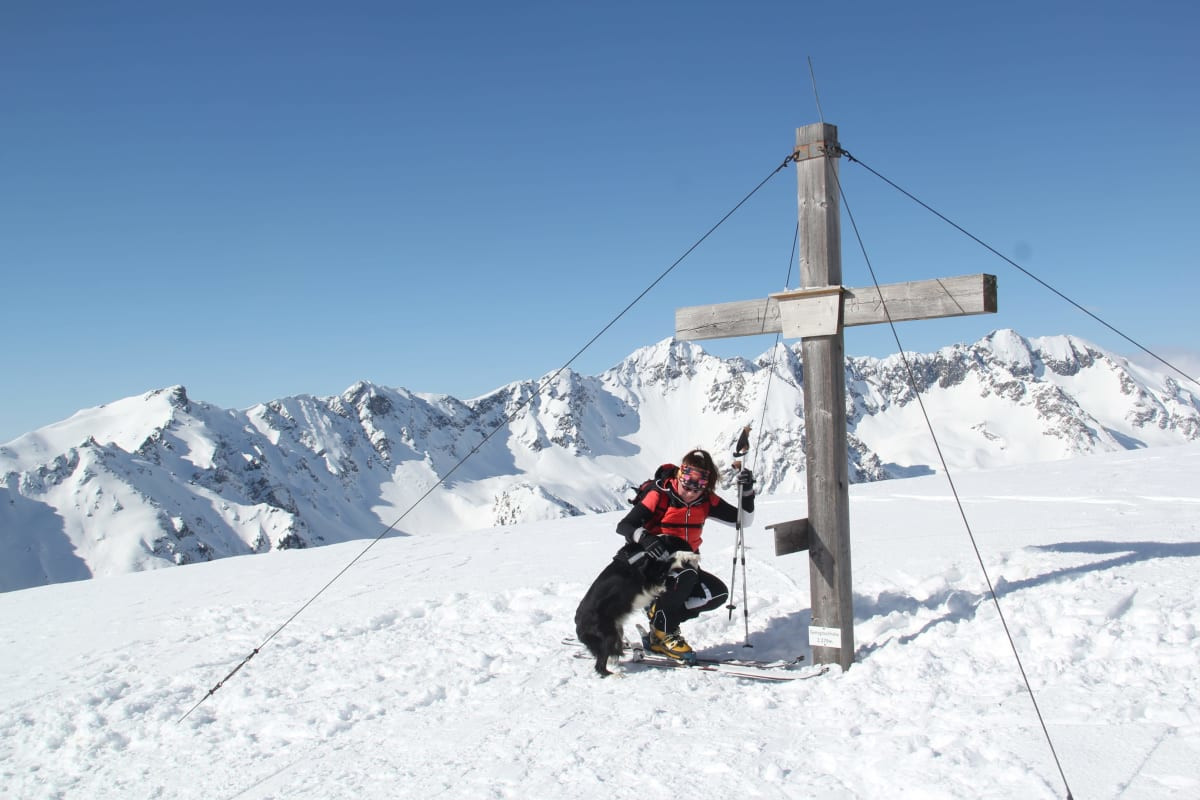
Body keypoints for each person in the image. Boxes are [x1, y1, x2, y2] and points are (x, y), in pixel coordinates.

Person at [616, 448, 755, 660]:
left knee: (717, 594)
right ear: (680, 475)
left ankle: (660, 621)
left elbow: (743, 521)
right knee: (685, 575)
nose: (690, 491)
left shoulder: (706, 501)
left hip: (687, 564)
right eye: (687, 483)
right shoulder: (660, 495)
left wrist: (747, 492)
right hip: (652, 566)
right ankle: (664, 633)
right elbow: (624, 525)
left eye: (698, 487)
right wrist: (645, 538)